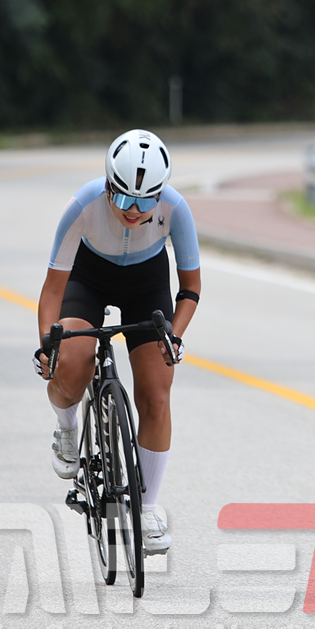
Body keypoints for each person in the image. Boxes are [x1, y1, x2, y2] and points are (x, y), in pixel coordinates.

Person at [34, 129, 201, 554]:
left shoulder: (176, 209)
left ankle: (147, 509)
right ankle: (67, 427)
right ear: (108, 184)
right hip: (88, 277)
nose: (133, 210)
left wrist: (174, 335)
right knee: (72, 363)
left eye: (145, 201)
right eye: (123, 197)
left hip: (147, 284)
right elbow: (52, 290)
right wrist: (47, 345)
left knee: (157, 394)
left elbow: (190, 290)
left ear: (160, 194)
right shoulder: (83, 205)